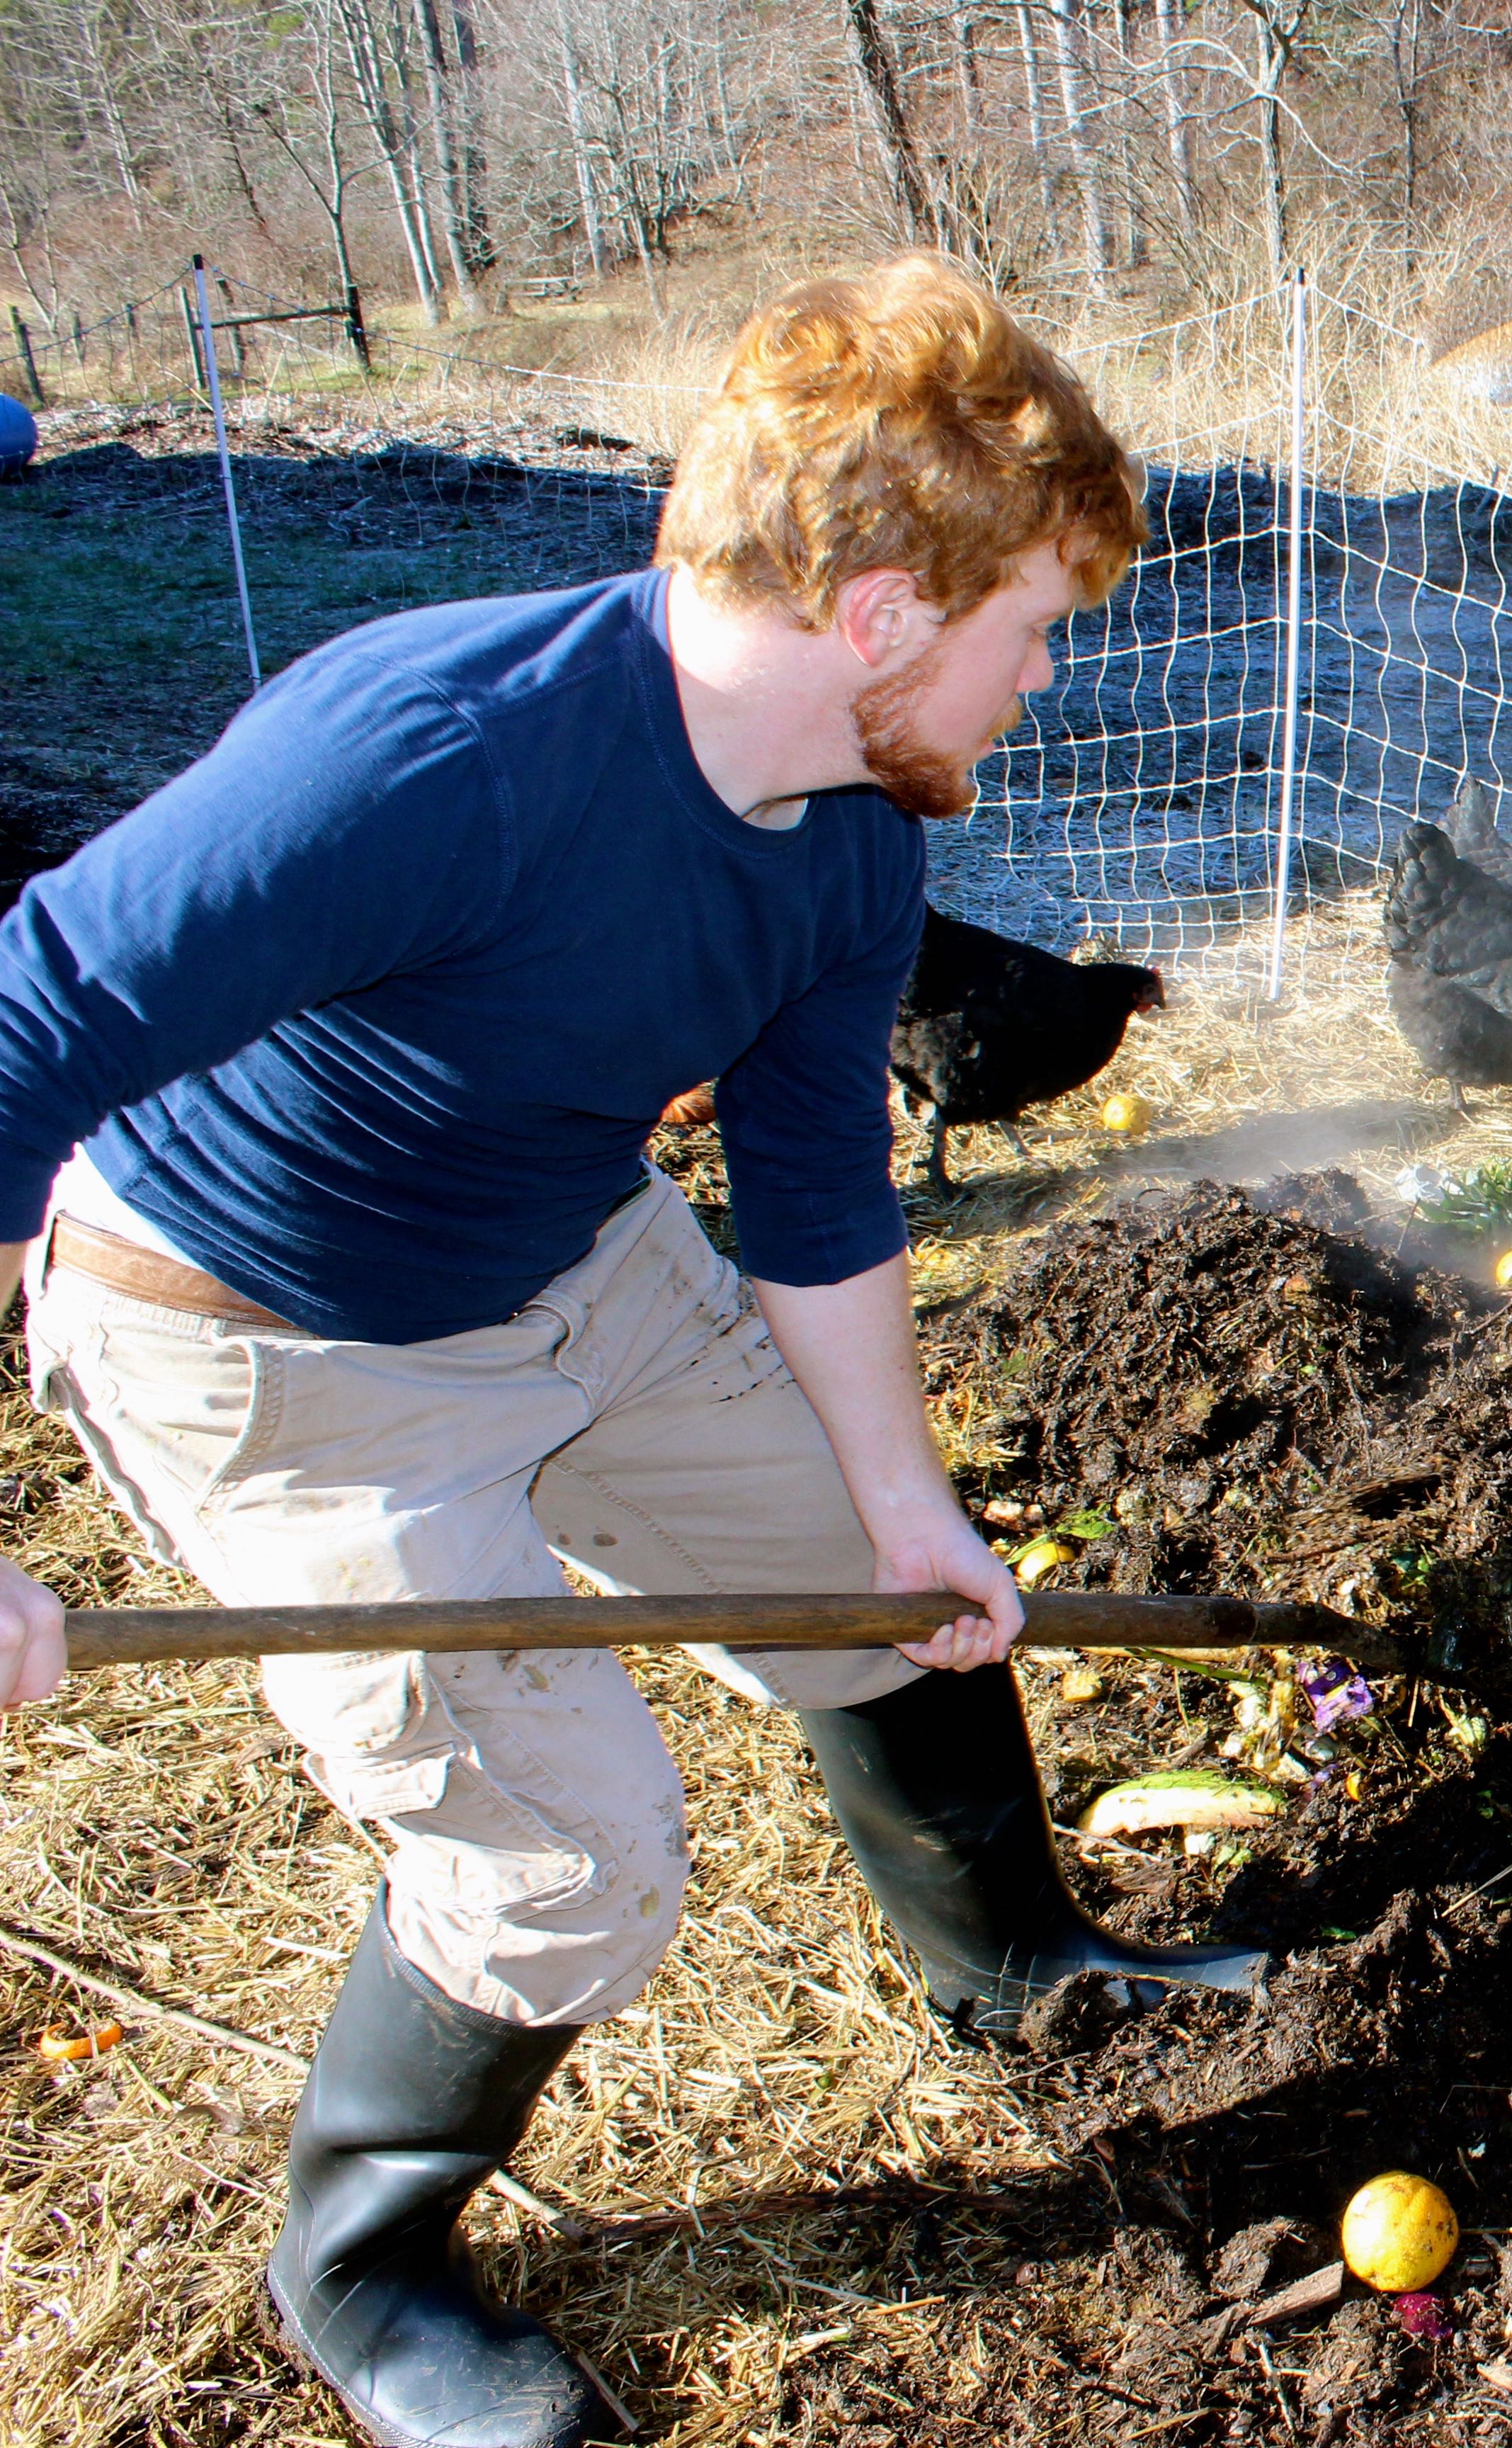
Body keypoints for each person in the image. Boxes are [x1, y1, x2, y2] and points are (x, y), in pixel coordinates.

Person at [0, 256, 1261, 2448]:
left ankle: (1013, 1969)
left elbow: (814, 1182)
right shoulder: (428, 755)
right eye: (1031, 628)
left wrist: (904, 1510)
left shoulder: (861, 821)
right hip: (275, 1339)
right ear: (880, 617)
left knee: (900, 1618)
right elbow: (27, 1026)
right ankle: (367, 2269)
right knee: (571, 1857)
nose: (1043, 683)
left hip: (578, 1253)